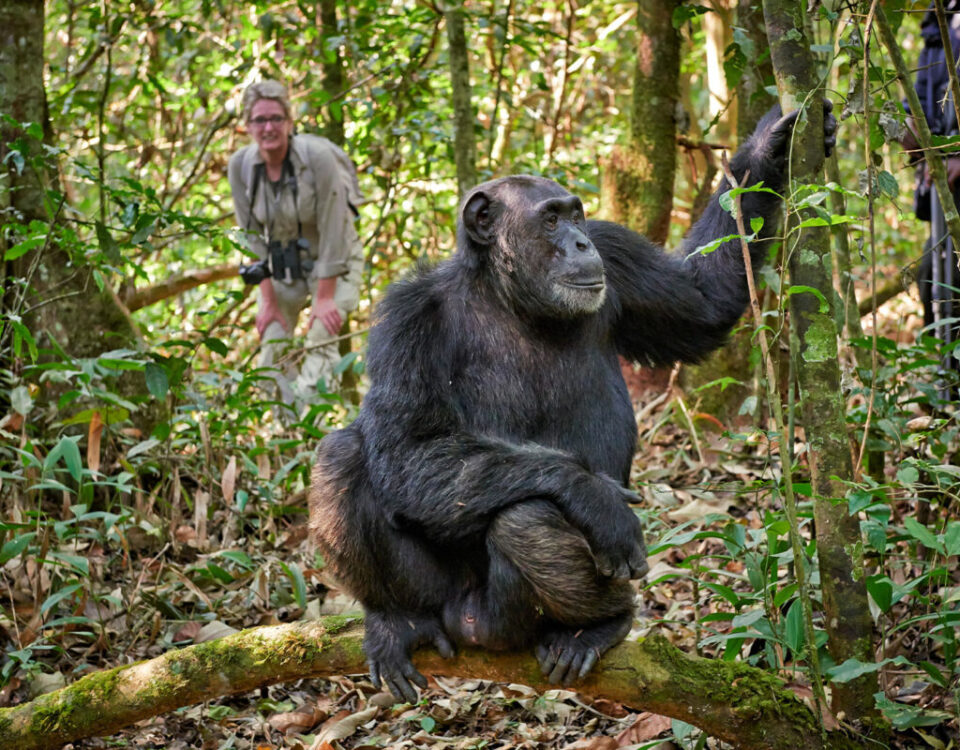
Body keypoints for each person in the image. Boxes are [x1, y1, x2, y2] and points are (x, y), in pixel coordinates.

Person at [228, 80, 364, 414]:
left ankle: (313, 432)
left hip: (335, 262)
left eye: (276, 118)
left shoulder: (317, 159)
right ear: (247, 126)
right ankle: (284, 430)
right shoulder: (241, 166)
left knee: (321, 339)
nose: (268, 127)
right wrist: (268, 302)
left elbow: (336, 226)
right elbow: (250, 238)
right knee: (272, 343)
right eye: (259, 120)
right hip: (283, 266)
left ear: (289, 122)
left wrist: (324, 298)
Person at [901, 3, 960, 340]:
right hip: (947, 199)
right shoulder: (936, 28)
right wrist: (908, 130)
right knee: (934, 281)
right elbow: (919, 104)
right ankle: (947, 385)